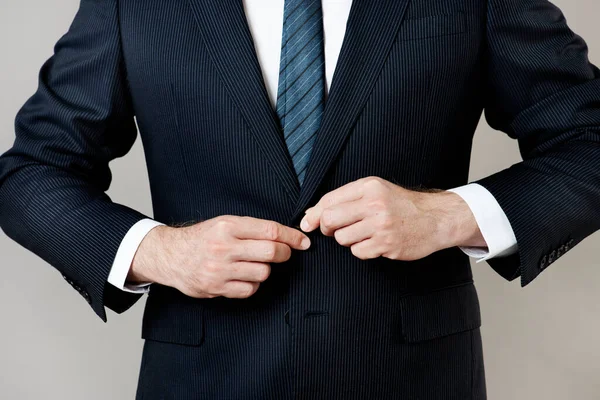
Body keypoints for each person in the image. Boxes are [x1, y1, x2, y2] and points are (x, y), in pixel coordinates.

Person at [1, 0, 599, 398]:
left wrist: (452, 214)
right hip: (202, 381)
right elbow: (31, 173)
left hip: (413, 379)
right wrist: (161, 251)